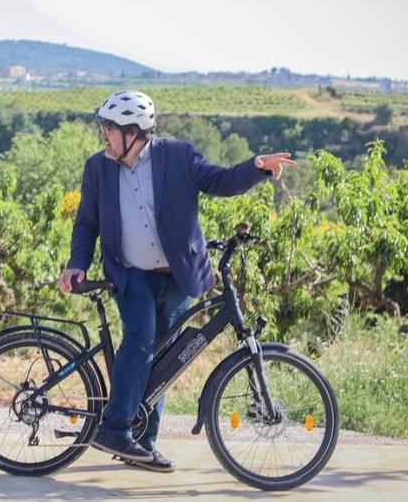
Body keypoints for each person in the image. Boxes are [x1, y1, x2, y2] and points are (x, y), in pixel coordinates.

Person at [59, 90, 295, 473]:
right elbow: (86, 222)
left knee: (166, 362)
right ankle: (115, 428)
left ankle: (143, 444)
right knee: (139, 342)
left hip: (177, 277)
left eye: (108, 129)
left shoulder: (177, 156)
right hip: (130, 274)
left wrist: (256, 166)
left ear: (133, 132)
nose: (103, 136)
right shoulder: (97, 168)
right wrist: (76, 264)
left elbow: (221, 181)